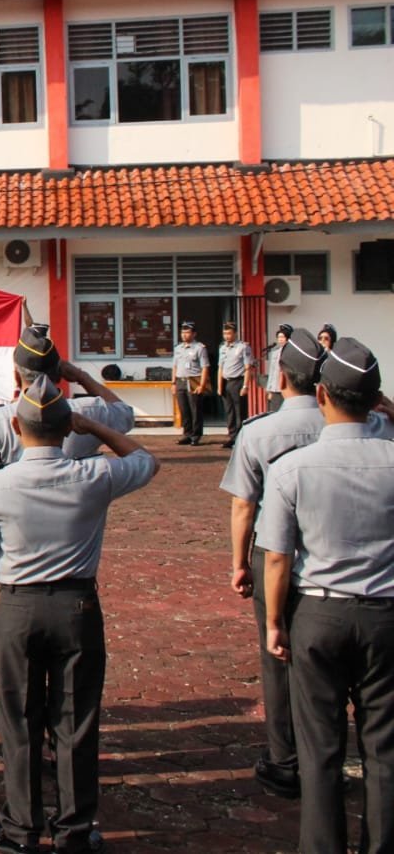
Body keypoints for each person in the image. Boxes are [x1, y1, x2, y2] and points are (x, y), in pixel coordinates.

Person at [0, 375, 159, 854]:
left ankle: (20, 828)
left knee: (19, 720)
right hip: (76, 607)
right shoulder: (93, 475)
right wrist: (89, 422)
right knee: (76, 721)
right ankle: (73, 829)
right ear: (66, 428)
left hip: (17, 608)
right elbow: (145, 460)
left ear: (16, 424)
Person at [257, 336, 394, 854]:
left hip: (318, 611)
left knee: (319, 748)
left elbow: (277, 556)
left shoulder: (292, 467)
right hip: (385, 613)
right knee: (385, 748)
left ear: (320, 397)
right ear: (377, 399)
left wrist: (274, 621)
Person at [220, 328, 334, 801]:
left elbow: (244, 505)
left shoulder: (259, 430)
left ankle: (285, 758)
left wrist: (239, 562)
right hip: (333, 550)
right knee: (332, 668)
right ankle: (328, 754)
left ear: (281, 377)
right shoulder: (353, 423)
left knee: (278, 657)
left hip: (275, 554)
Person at [0, 323, 136, 489]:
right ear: (60, 373)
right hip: (78, 510)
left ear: (17, 377)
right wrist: (82, 376)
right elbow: (125, 414)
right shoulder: (89, 411)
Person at [217, 320, 256, 449]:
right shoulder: (223, 348)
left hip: (238, 381)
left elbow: (248, 367)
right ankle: (232, 436)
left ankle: (240, 437)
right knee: (229, 411)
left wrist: (245, 386)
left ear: (235, 333)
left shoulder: (243, 347)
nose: (226, 336)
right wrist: (219, 386)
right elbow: (220, 368)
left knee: (240, 411)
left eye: (229, 333)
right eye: (224, 333)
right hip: (226, 382)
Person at [173, 320, 210, 445]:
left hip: (194, 380)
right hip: (180, 381)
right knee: (184, 409)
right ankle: (187, 434)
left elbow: (205, 367)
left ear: (194, 334)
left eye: (187, 332)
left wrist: (202, 385)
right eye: (182, 332)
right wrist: (173, 383)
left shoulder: (199, 348)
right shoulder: (178, 348)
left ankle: (196, 435)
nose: (184, 335)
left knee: (195, 409)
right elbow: (175, 367)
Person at [262, 324, 293, 413]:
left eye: (282, 337)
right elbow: (272, 372)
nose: (280, 339)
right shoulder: (275, 352)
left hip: (287, 389)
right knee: (274, 412)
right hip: (275, 389)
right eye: (278, 337)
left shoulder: (292, 353)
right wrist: (269, 389)